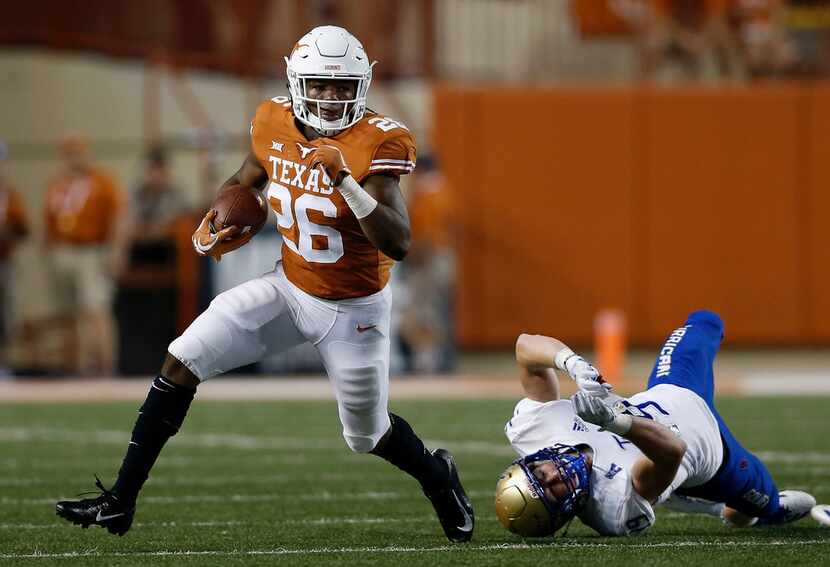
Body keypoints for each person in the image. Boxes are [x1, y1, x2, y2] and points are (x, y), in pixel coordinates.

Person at [55, 26, 474, 543]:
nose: (329, 96)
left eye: (341, 86)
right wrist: (219, 220)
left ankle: (438, 477)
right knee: (183, 357)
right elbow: (242, 181)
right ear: (297, 81)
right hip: (289, 287)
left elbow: (400, 240)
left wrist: (344, 179)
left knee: (366, 435)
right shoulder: (272, 119)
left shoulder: (378, 139)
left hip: (354, 309)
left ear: (361, 87)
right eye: (318, 84)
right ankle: (120, 501)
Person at [495, 309, 816, 537]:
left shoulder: (535, 434)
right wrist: (614, 420)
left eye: (539, 472)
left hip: (672, 389)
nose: (552, 475)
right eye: (553, 490)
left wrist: (574, 365)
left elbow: (525, 348)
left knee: (706, 320)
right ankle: (741, 510)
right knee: (768, 505)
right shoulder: (613, 508)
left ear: (530, 462)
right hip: (713, 453)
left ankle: (723, 509)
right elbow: (673, 451)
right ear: (564, 511)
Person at [43, 136, 125, 374]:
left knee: (96, 310)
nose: (73, 158)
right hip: (62, 252)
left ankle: (106, 367)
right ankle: (78, 367)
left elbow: (118, 218)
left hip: (91, 252)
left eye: (77, 152)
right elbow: (48, 220)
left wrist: (115, 251)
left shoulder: (102, 182)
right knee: (72, 314)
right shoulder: (57, 184)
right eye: (68, 153)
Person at [0, 141, 29, 374]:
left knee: (8, 314)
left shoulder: (9, 196)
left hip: (5, 261)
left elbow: (23, 229)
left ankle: (5, 362)